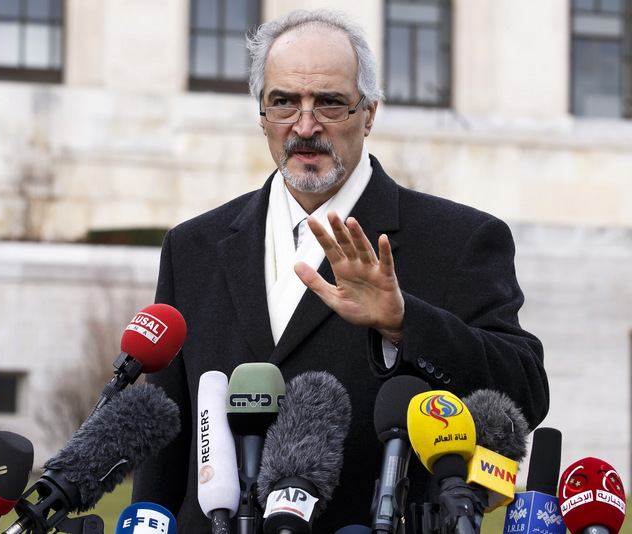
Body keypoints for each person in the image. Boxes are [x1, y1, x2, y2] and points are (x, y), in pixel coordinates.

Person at [132, 8, 549, 533]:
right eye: (284, 102)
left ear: (369, 113)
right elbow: (164, 444)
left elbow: (525, 391)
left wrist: (404, 323)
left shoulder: (460, 240)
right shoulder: (192, 246)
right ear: (261, 113)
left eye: (330, 102)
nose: (305, 126)